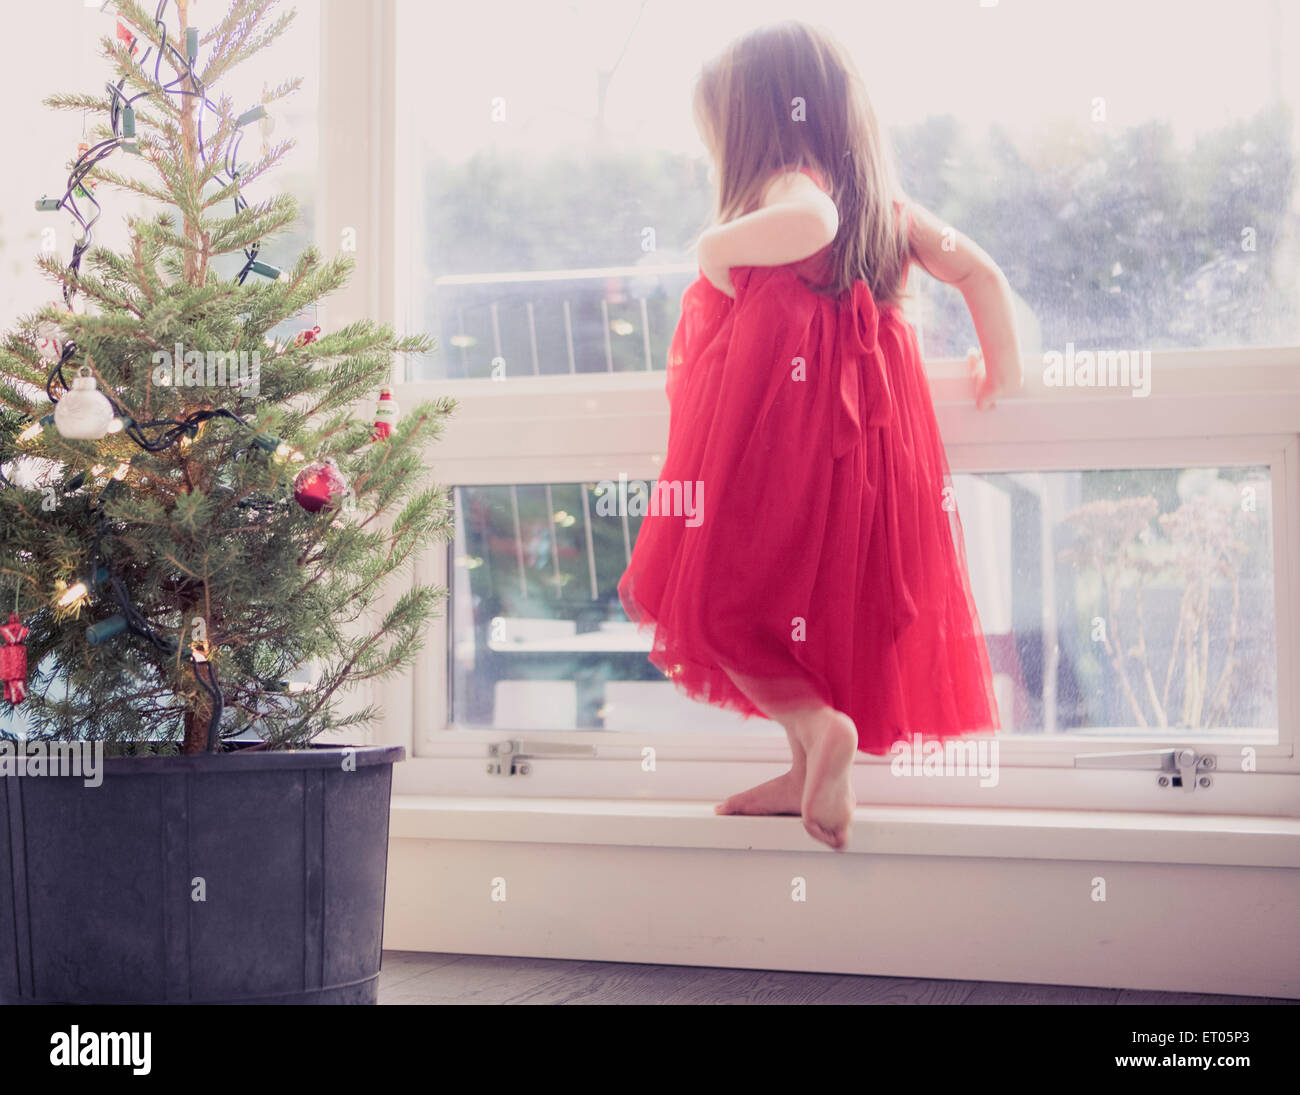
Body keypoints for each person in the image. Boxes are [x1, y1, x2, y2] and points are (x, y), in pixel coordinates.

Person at [617, 20, 1023, 850]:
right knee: (805, 613)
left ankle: (815, 724)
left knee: (716, 605)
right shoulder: (895, 212)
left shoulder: (789, 185)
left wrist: (711, 248)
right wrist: (1001, 364)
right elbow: (981, 271)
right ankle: (807, 764)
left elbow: (811, 225)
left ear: (764, 124)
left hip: (789, 441)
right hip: (873, 452)